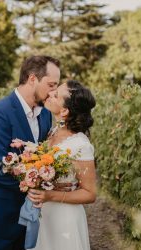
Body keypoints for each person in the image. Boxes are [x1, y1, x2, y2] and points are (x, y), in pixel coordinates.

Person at [0, 55, 61, 250]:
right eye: (51, 85)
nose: (54, 92)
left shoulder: (45, 115)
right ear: (32, 78)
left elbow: (42, 157)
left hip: (29, 214)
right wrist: (34, 185)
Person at [27, 80, 97, 250]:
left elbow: (90, 194)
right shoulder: (52, 131)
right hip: (45, 214)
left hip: (64, 217)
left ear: (64, 111)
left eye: (56, 95)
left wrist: (50, 196)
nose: (50, 93)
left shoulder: (80, 145)